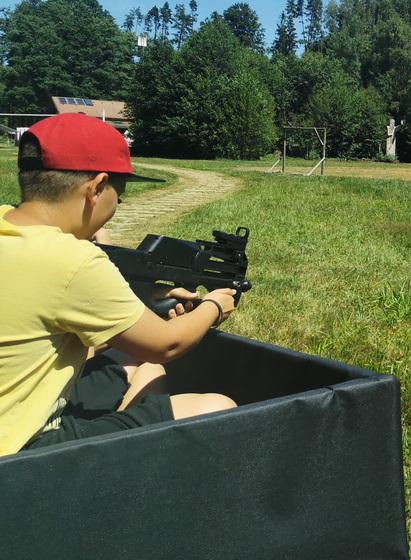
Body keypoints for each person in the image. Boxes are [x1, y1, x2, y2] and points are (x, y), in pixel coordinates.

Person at [0, 114, 238, 456]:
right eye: (119, 197)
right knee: (215, 408)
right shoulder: (71, 259)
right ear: (97, 188)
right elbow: (166, 345)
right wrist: (215, 305)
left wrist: (144, 300)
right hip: (19, 453)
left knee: (137, 361)